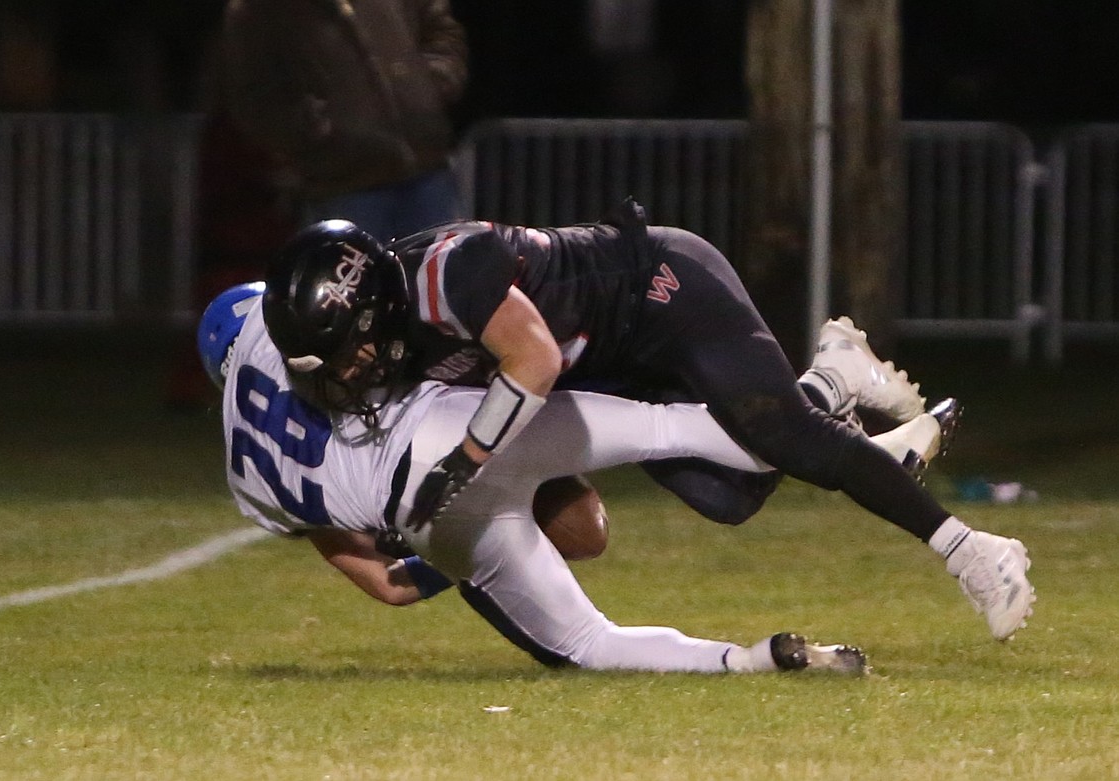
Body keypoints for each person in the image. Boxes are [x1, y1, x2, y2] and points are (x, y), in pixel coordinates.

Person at [259, 202, 1036, 642]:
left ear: (371, 308)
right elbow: (584, 527)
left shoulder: (443, 274)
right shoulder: (396, 338)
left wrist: (455, 469)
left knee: (787, 441)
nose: (350, 372)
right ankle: (832, 381)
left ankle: (975, 551)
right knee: (729, 496)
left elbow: (531, 362)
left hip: (663, 294)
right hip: (614, 364)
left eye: (348, 351)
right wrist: (442, 527)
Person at [197, 282, 913, 673]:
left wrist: (469, 546)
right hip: (461, 433)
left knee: (589, 645)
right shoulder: (280, 326)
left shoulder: (246, 482)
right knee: (673, 428)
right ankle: (829, 391)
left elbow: (390, 585)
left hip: (434, 520)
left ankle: (753, 662)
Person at [219, 0, 469, 239]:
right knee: (356, 282)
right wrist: (315, 128)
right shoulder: (259, 9)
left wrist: (429, 87)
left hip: (428, 170)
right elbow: (253, 99)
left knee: (441, 280)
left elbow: (440, 28)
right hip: (342, 186)